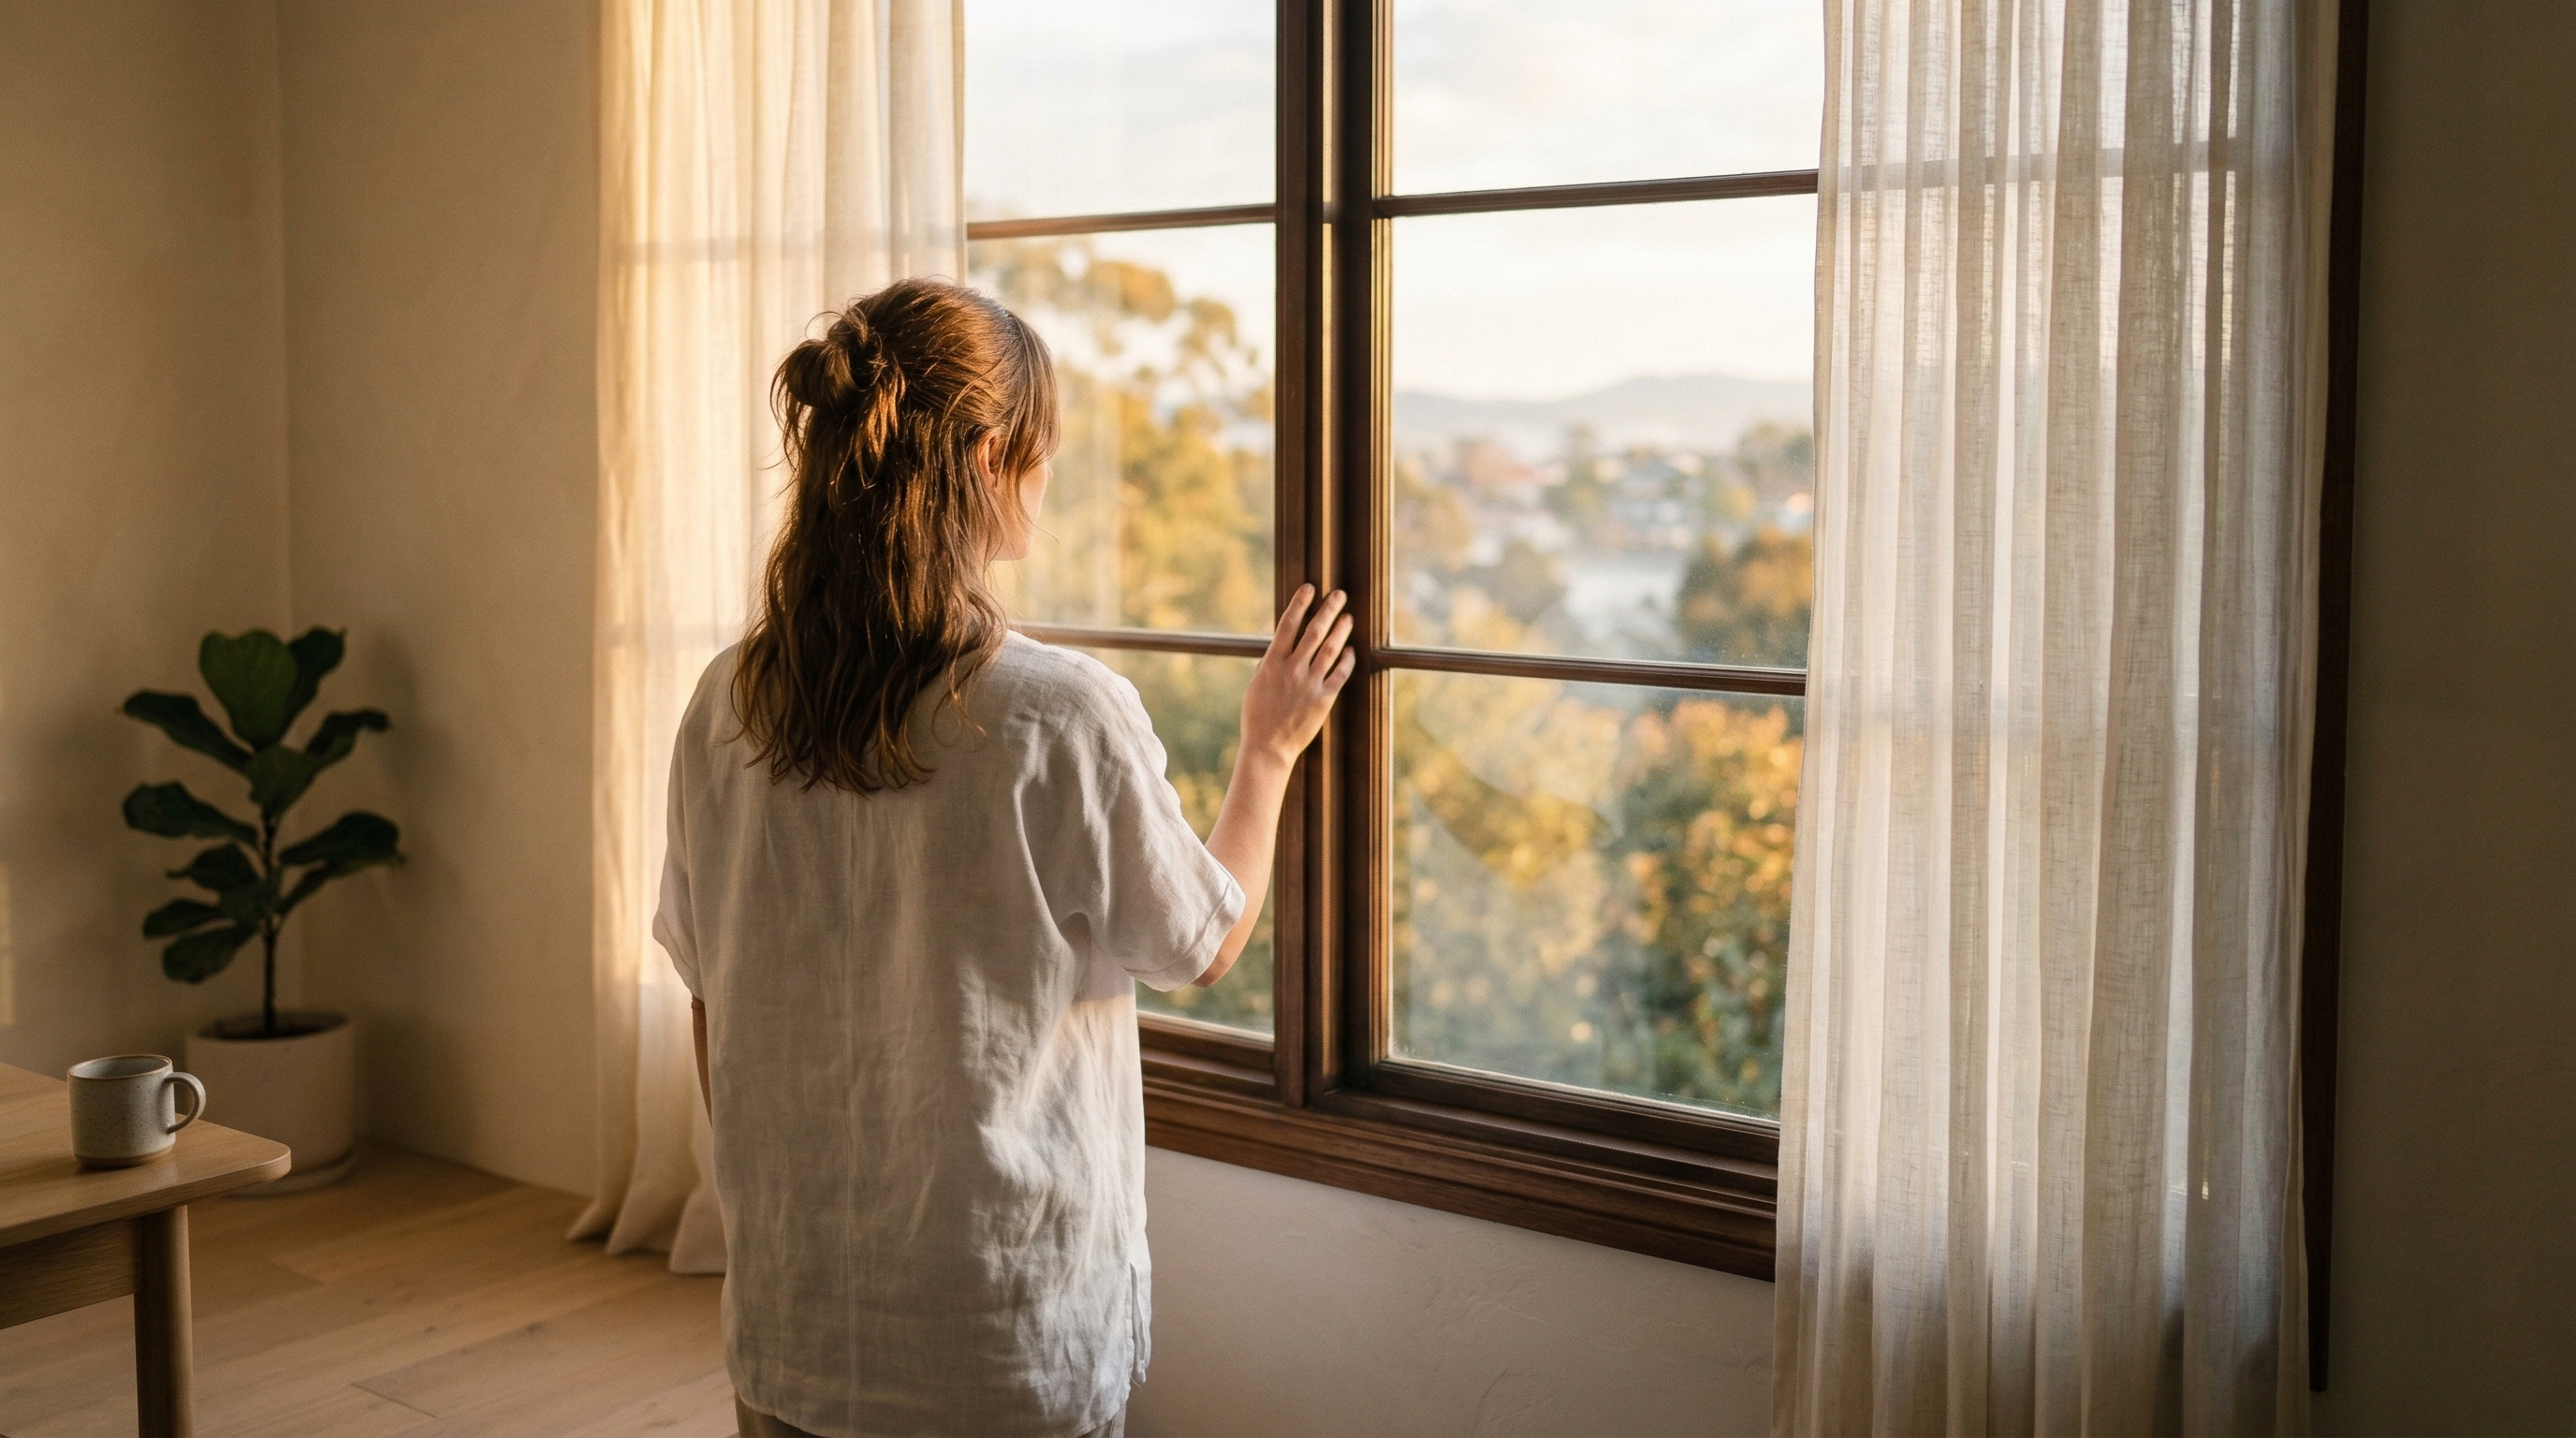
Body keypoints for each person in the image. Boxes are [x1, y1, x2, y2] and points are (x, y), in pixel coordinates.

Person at [652, 277, 1352, 1438]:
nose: (1047, 482)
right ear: (986, 455)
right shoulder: (1057, 711)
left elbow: (706, 997)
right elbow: (1200, 942)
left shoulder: (726, 696)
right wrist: (1269, 751)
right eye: (1040, 454)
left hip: (793, 1316)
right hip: (993, 1331)